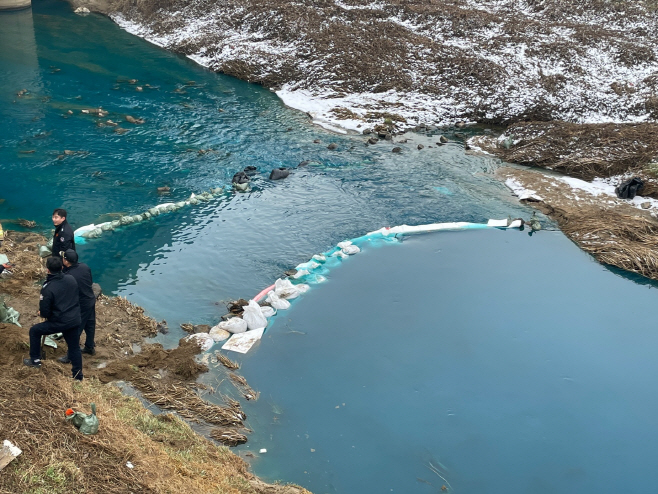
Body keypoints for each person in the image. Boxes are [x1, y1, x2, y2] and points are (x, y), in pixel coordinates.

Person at [24, 256, 83, 381]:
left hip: (60, 321)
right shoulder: (71, 278)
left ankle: (35, 360)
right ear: (61, 267)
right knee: (74, 347)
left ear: (47, 270)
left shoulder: (47, 288)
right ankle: (78, 376)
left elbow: (45, 312)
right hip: (74, 318)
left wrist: (42, 313)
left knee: (34, 331)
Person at [59, 249, 96, 362]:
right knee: (90, 325)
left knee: (75, 330)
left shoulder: (68, 276)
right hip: (90, 299)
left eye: (63, 258)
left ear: (66, 261)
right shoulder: (85, 267)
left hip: (80, 305)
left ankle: (70, 356)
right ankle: (90, 347)